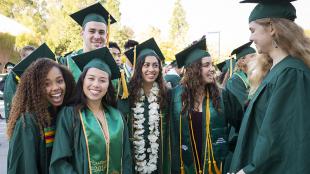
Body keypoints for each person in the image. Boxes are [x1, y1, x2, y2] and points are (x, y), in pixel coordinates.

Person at [230, 0, 310, 173]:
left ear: (272, 28)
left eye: (252, 30)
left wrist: (249, 170)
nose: (250, 38)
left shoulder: (291, 74)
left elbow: (283, 139)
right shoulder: (276, 70)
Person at [50, 47, 132, 174]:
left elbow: (126, 158)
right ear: (83, 80)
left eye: (103, 80)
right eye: (91, 78)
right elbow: (60, 163)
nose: (96, 85)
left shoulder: (117, 117)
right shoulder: (69, 115)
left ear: (108, 85)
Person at [6, 47, 76, 174]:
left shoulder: (61, 113)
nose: (56, 88)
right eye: (46, 84)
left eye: (59, 81)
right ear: (35, 88)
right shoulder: (28, 123)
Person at [170, 36, 229, 174]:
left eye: (212, 64)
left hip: (215, 166)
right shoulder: (175, 97)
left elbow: (239, 127)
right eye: (206, 65)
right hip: (185, 166)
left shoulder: (222, 96)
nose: (213, 69)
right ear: (194, 69)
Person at [119, 38, 171, 173]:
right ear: (139, 67)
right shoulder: (127, 93)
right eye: (146, 65)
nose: (151, 69)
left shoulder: (166, 94)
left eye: (155, 65)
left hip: (159, 158)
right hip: (133, 158)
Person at [58, 2, 117, 81]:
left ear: (106, 36)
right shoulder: (67, 63)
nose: (97, 36)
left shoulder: (112, 67)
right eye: (92, 31)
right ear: (82, 33)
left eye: (101, 32)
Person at [221, 41, 256, 171]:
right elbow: (242, 108)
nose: (256, 57)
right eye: (252, 56)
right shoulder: (235, 80)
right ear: (242, 61)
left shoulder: (253, 76)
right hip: (237, 130)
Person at [3, 44, 44, 120]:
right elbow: (11, 99)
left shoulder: (34, 72)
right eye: (29, 56)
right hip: (20, 118)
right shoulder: (13, 75)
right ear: (23, 58)